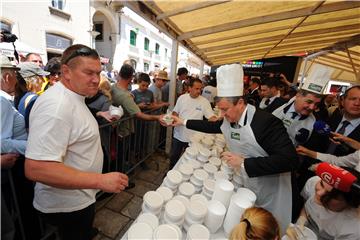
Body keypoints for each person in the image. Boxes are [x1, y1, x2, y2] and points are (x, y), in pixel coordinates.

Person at [170, 64, 298, 233]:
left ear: (240, 103)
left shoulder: (266, 122)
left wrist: (245, 163)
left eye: (225, 109)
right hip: (247, 182)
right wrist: (183, 122)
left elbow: (290, 159)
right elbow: (212, 126)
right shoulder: (229, 118)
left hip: (271, 188)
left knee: (265, 229)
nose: (222, 115)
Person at [24, 44, 129, 240]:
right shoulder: (56, 106)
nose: (96, 79)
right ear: (66, 71)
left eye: (98, 73)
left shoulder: (74, 97)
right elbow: (36, 168)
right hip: (66, 207)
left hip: (79, 198)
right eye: (89, 72)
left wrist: (99, 113)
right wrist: (100, 180)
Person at [298, 169, 360, 239]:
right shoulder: (313, 182)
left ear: (349, 204)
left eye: (333, 196)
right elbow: (306, 203)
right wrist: (301, 220)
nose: (319, 193)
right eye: (321, 184)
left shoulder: (354, 230)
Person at [169, 78, 216, 169]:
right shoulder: (182, 98)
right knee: (174, 157)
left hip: (194, 138)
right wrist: (173, 119)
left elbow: (211, 117)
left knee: (190, 160)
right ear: (189, 88)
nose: (199, 91)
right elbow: (175, 112)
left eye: (200, 89)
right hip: (179, 135)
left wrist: (218, 119)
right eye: (197, 88)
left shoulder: (204, 102)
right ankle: (170, 172)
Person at [17, 62, 50, 128]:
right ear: (32, 80)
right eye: (41, 77)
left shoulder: (18, 97)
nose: (44, 81)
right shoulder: (34, 99)